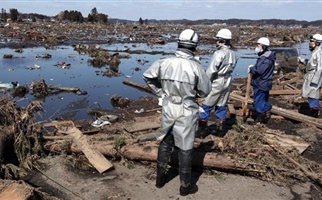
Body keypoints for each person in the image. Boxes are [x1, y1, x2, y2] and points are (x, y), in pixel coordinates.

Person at [143, 29, 211, 196]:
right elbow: (205, 91)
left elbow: (147, 76)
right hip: (187, 109)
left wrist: (161, 93)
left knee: (166, 140)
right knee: (185, 147)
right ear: (194, 46)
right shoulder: (196, 67)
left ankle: (159, 180)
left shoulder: (164, 62)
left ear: (179, 43)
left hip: (168, 106)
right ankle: (185, 186)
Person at [198, 28, 236, 133]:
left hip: (217, 81)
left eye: (218, 39)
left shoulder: (219, 53)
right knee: (221, 105)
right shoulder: (233, 53)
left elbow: (211, 71)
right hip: (228, 80)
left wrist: (203, 84)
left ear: (222, 40)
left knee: (206, 105)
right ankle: (221, 131)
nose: (216, 42)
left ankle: (201, 132)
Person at [248, 37, 276, 123]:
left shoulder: (266, 58)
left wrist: (252, 68)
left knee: (259, 101)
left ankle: (260, 118)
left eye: (258, 45)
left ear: (263, 46)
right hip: (264, 82)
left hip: (261, 83)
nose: (256, 47)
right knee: (262, 99)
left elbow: (259, 70)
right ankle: (264, 112)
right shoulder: (267, 56)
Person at [299, 34, 322, 117]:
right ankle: (313, 110)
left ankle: (314, 112)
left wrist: (315, 80)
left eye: (312, 41)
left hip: (314, 76)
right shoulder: (314, 52)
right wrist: (302, 60)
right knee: (310, 94)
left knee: (313, 94)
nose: (310, 42)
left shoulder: (319, 53)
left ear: (317, 43)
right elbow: (311, 63)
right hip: (310, 75)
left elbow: (320, 68)